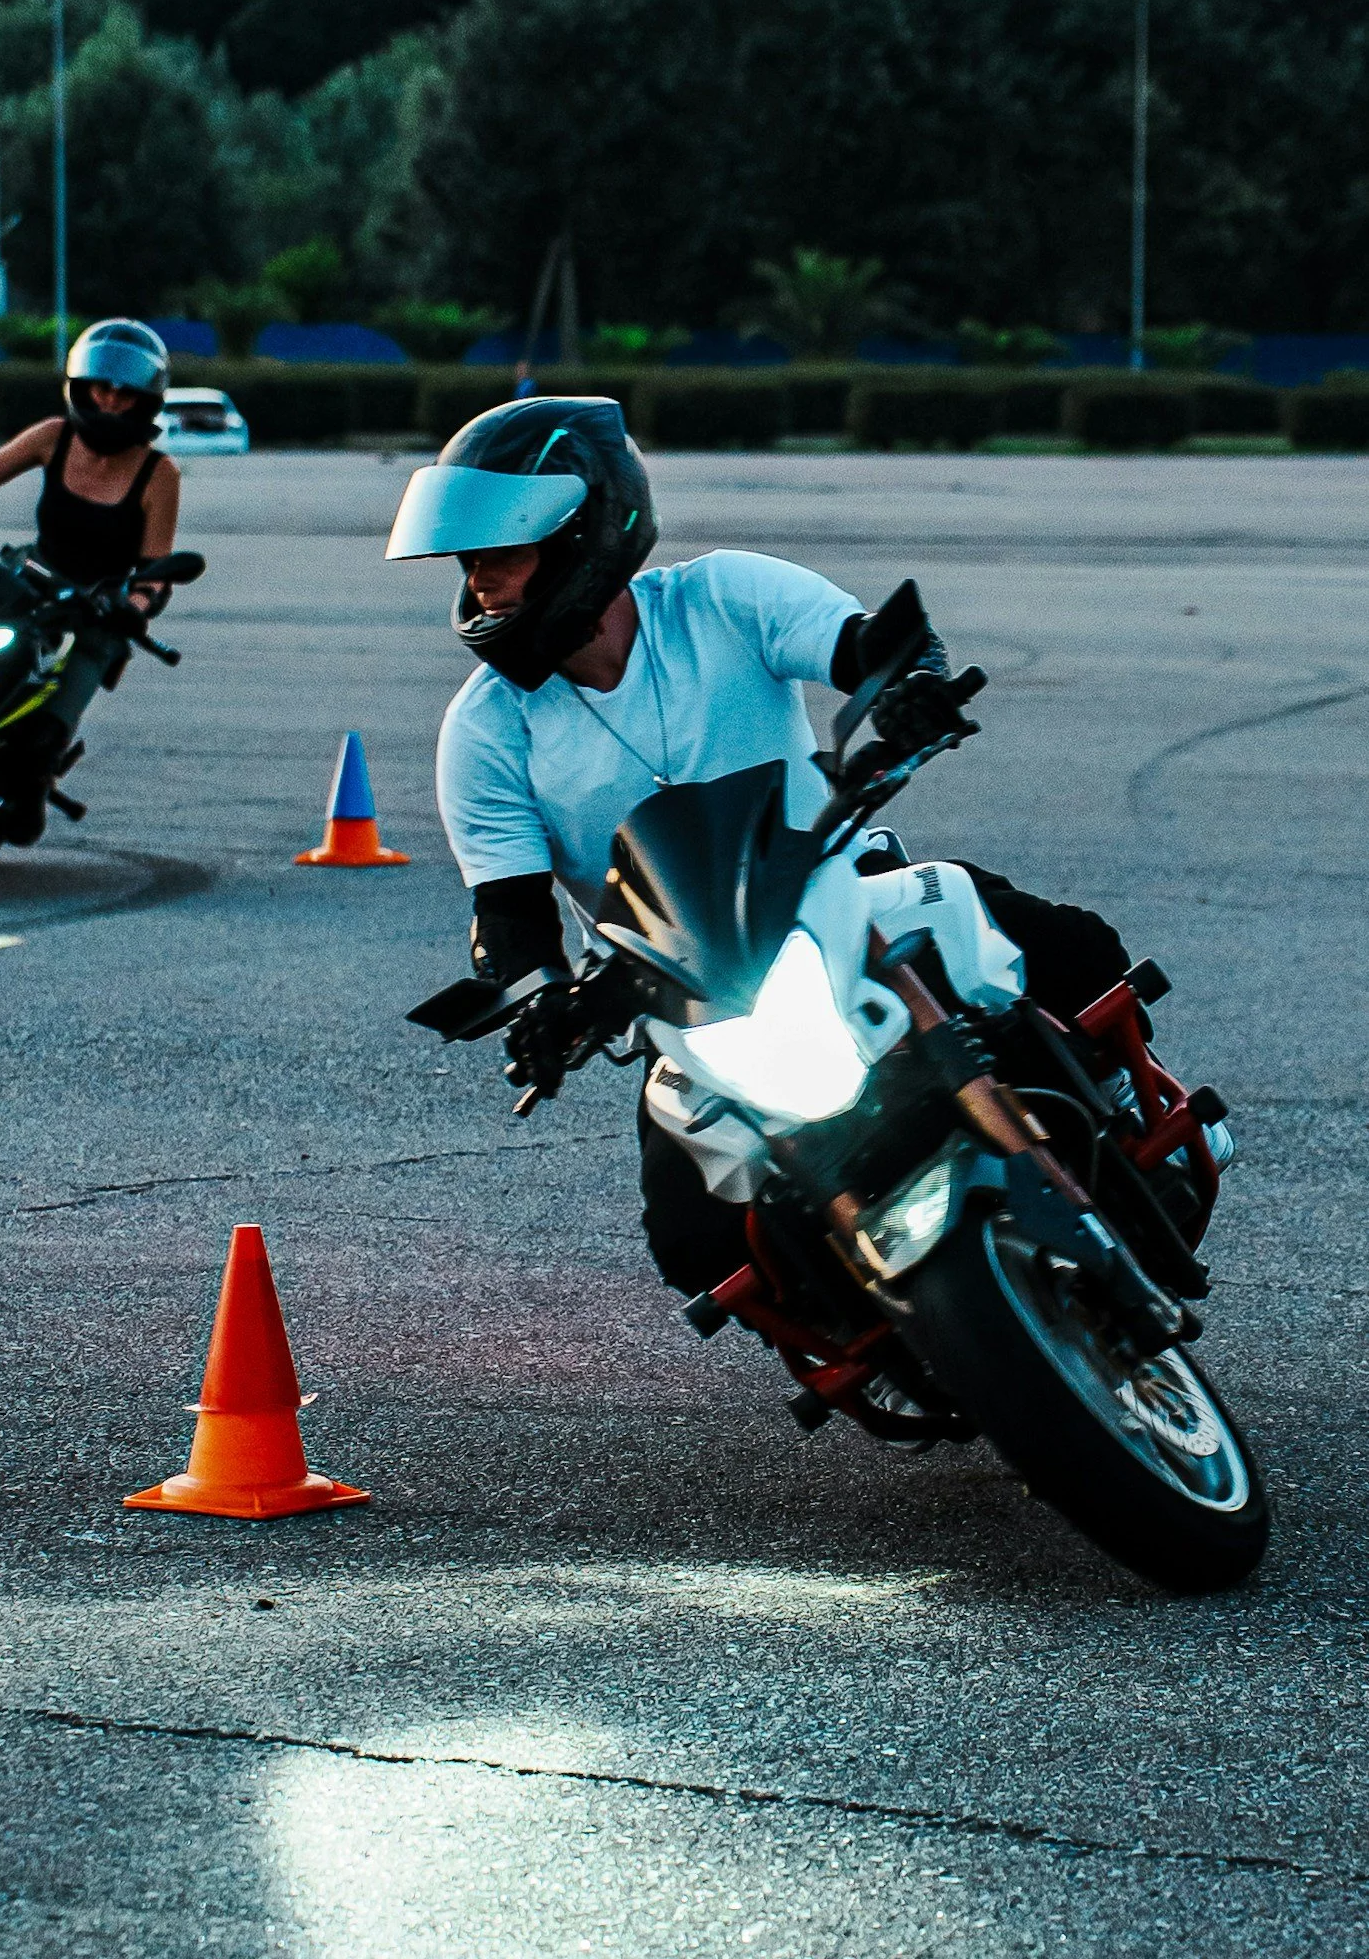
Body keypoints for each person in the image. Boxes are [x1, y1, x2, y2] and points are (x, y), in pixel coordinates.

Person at [385, 394, 1133, 1298]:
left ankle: (1127, 1129)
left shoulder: (725, 597)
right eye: (468, 565)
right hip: (682, 986)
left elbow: (870, 647)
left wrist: (914, 690)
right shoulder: (486, 731)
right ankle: (879, 1332)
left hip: (838, 888)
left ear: (583, 537)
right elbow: (508, 909)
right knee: (694, 1242)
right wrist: (541, 1000)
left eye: (497, 557)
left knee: (1072, 951)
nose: (477, 586)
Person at [0, 315, 183, 740]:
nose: (110, 400)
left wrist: (133, 607)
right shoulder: (54, 436)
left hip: (95, 611)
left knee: (44, 738)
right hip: (29, 579)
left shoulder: (160, 474)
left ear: (145, 400)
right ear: (80, 385)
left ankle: (25, 790)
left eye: (124, 393)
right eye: (100, 387)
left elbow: (155, 571)